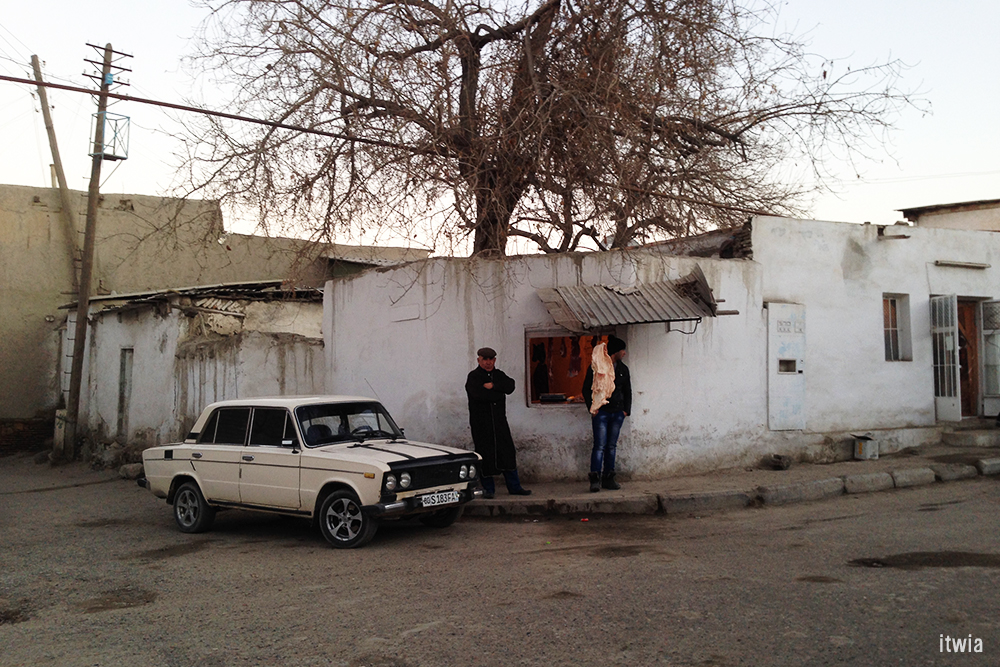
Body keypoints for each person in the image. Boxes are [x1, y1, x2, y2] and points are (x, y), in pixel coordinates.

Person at [465, 347, 531, 498]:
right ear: (479, 360)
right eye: (485, 359)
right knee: (485, 454)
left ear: (494, 360)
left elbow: (510, 386)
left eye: (491, 359)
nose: (488, 362)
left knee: (507, 453)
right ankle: (489, 489)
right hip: (482, 424)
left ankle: (514, 486)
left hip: (499, 423)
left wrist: (494, 386)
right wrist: (497, 393)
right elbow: (479, 395)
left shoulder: (499, 375)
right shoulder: (474, 377)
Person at [582, 336, 632, 492]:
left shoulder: (623, 369)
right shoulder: (597, 367)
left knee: (611, 446)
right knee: (599, 446)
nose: (624, 353)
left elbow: (627, 391)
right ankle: (595, 480)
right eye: (622, 350)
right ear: (616, 351)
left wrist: (625, 411)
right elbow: (586, 389)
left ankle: (609, 479)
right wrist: (592, 408)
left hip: (617, 413)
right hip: (601, 412)